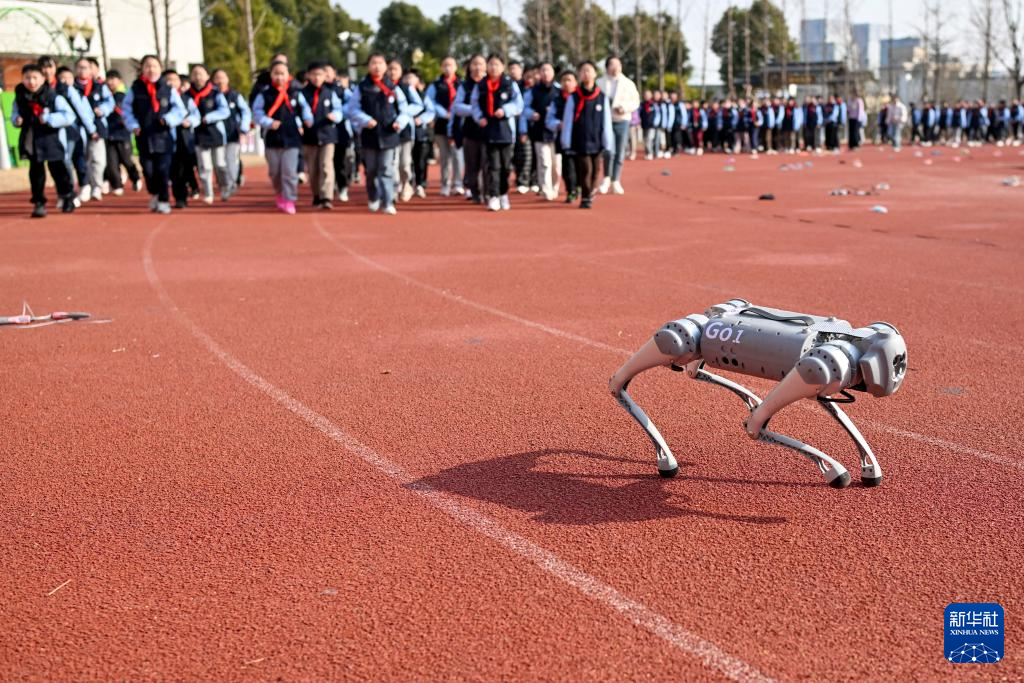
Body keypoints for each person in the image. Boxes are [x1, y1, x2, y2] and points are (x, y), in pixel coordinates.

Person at [122, 55, 188, 214]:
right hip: (144, 136)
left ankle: (164, 200)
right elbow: (126, 109)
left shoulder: (168, 88)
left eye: (154, 66)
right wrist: (133, 125)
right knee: (148, 170)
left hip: (164, 136)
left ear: (160, 68)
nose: (151, 69)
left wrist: (168, 119)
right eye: (147, 66)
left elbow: (180, 110)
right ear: (142, 69)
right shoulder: (135, 88)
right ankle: (155, 193)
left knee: (163, 170)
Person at [347, 52, 410, 215]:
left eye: (380, 63)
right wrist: (365, 120)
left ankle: (388, 200)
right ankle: (373, 197)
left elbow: (404, 109)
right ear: (368, 66)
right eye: (373, 63)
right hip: (370, 135)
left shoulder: (393, 87)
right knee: (372, 170)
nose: (377, 66)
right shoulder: (362, 87)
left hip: (389, 134)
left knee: (386, 169)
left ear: (385, 66)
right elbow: (352, 109)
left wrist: (400, 122)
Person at [10, 63, 76, 217]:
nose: (31, 82)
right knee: (36, 173)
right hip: (31, 138)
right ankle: (39, 203)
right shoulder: (20, 97)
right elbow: (14, 113)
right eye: (27, 78)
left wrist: (49, 118)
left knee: (58, 171)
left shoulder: (53, 96)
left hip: (50, 138)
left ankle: (67, 197)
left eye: (35, 78)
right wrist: (16, 120)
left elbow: (69, 116)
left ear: (42, 79)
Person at [252, 60, 314, 214]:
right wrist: (268, 122)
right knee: (275, 172)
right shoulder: (265, 94)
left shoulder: (295, 92)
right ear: (271, 75)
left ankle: (289, 198)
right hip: (272, 139)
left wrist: (308, 119)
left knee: (289, 171)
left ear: (288, 75)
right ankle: (279, 194)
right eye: (276, 73)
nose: (279, 77)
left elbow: (304, 108)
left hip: (292, 138)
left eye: (282, 74)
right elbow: (257, 112)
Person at [471, 54, 524, 211]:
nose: (494, 67)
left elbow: (518, 104)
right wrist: (479, 117)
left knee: (506, 166)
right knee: (493, 165)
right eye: (491, 64)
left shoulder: (509, 84)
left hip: (505, 130)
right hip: (489, 129)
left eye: (497, 64)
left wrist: (506, 110)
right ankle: (493, 196)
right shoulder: (481, 85)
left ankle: (503, 194)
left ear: (502, 67)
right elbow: (474, 104)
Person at [559, 61, 612, 209]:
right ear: (580, 75)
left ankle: (591, 192)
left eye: (589, 71)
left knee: (596, 171)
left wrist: (607, 142)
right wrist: (566, 141)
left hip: (597, 140)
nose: (586, 74)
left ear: (595, 74)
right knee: (585, 169)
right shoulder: (574, 97)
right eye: (583, 71)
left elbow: (606, 121)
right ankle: (586, 196)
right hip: (580, 140)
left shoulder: (601, 97)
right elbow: (568, 120)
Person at [300, 60, 343, 210]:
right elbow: (298, 112)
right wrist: (302, 122)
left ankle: (327, 197)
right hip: (310, 136)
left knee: (326, 165)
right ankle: (316, 195)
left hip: (328, 135)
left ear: (325, 76)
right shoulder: (302, 94)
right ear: (308, 76)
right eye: (314, 75)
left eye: (320, 75)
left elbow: (339, 110)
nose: (317, 78)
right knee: (313, 169)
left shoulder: (330, 93)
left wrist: (335, 116)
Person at [186, 64, 231, 205]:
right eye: (195, 74)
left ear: (207, 76)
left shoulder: (215, 93)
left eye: (201, 73)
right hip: (198, 135)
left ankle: (224, 187)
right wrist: (193, 120)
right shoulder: (187, 95)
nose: (198, 76)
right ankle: (208, 193)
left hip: (215, 133)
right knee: (204, 166)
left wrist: (209, 117)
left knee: (220, 164)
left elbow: (225, 111)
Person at [596, 56, 639, 194]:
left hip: (622, 120)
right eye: (612, 65)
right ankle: (606, 178)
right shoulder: (599, 83)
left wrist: (624, 108)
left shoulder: (628, 83)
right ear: (607, 67)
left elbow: (635, 101)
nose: (615, 67)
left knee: (620, 152)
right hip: (606, 121)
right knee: (609, 151)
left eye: (618, 65)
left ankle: (616, 180)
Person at [74, 56, 113, 202]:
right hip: (79, 129)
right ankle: (86, 185)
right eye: (80, 67)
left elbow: (110, 102)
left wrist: (102, 109)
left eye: (86, 67)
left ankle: (97, 185)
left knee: (98, 159)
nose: (83, 70)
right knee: (83, 159)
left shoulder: (99, 86)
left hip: (98, 127)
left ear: (92, 70)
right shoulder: (73, 88)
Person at [425, 57, 464, 196]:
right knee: (445, 156)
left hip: (458, 125)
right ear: (441, 67)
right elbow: (430, 102)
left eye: (451, 65)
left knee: (458, 156)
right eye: (445, 65)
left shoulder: (462, 84)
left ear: (456, 67)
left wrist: (454, 113)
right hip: (442, 124)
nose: (448, 68)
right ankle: (445, 184)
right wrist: (443, 113)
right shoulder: (435, 85)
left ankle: (458, 183)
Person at [521, 61, 559, 200]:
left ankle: (555, 187)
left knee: (556, 165)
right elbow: (524, 108)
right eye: (543, 70)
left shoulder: (559, 90)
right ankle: (546, 189)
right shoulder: (532, 91)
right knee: (544, 162)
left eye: (548, 70)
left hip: (556, 133)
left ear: (553, 72)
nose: (545, 73)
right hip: (539, 131)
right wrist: (532, 114)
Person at [452, 54, 487, 203]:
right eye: (474, 64)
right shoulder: (464, 86)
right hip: (470, 131)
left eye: (480, 64)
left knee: (488, 164)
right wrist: (475, 110)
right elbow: (457, 107)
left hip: (488, 131)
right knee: (472, 164)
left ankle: (488, 192)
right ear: (469, 67)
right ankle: (475, 192)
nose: (478, 67)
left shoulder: (490, 84)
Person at [211, 68, 250, 200]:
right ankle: (224, 183)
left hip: (233, 134)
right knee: (219, 162)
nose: (220, 80)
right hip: (215, 135)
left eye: (223, 77)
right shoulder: (211, 96)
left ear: (227, 79)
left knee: (231, 160)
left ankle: (231, 183)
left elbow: (245, 112)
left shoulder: (234, 95)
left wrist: (244, 128)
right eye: (217, 78)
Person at [102, 69, 142, 196]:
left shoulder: (124, 95)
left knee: (126, 160)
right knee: (111, 162)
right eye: (108, 79)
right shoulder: (105, 96)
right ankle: (117, 185)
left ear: (119, 80)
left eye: (113, 79)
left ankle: (135, 178)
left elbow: (128, 113)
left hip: (122, 134)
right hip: (109, 134)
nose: (110, 82)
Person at [547, 70, 578, 203]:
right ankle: (571, 190)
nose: (566, 83)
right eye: (564, 80)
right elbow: (549, 119)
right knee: (567, 167)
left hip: (580, 138)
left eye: (569, 80)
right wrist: (558, 124)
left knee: (581, 166)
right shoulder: (557, 100)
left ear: (576, 82)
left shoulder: (580, 97)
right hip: (564, 139)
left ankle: (579, 186)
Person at [404, 69, 434, 197]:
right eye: (407, 78)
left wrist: (421, 119)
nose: (409, 80)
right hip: (405, 133)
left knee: (420, 160)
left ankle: (421, 184)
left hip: (420, 132)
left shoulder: (423, 96)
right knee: (406, 161)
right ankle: (407, 184)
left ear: (417, 81)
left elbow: (431, 111)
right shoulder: (401, 94)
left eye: (412, 78)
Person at [508, 60, 533, 194]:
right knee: (513, 154)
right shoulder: (507, 85)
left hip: (525, 124)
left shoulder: (527, 87)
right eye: (510, 68)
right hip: (510, 123)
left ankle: (524, 180)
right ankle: (517, 178)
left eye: (516, 68)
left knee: (526, 153)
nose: (513, 71)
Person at [640, 90, 659, 159]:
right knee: (645, 139)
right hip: (644, 125)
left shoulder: (653, 104)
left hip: (651, 125)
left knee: (649, 139)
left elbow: (657, 114)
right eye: (645, 95)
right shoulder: (642, 104)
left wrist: (655, 123)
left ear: (651, 96)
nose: (646, 96)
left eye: (648, 95)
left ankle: (650, 152)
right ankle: (647, 152)